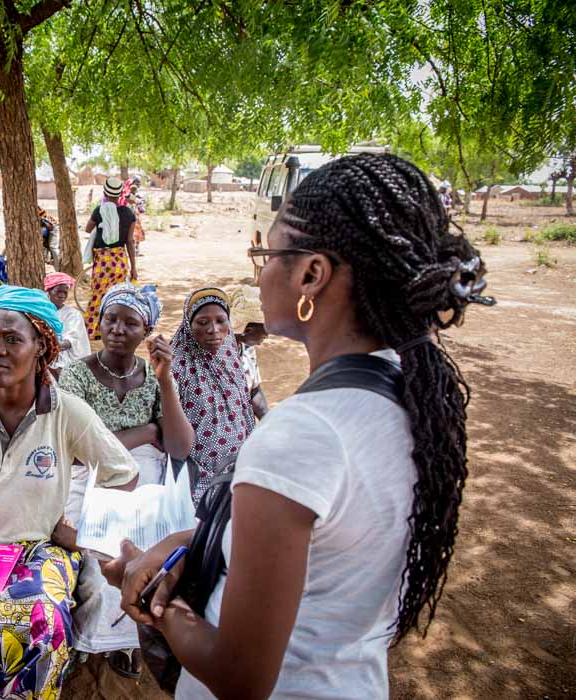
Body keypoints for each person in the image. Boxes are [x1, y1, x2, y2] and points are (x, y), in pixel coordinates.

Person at [105, 153, 491, 699]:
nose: (258, 271)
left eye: (265, 253)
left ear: (311, 274)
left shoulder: (299, 435)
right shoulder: (406, 388)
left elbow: (241, 674)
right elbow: (327, 542)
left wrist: (153, 601)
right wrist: (186, 540)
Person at [0, 285, 141, 699]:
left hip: (39, 550)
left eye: (13, 339)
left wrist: (85, 533)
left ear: (43, 346)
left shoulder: (67, 411)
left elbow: (122, 473)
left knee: (39, 624)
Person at [56, 283, 194, 678]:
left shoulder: (152, 379)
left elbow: (180, 446)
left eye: (130, 322)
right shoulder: (77, 374)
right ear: (97, 323)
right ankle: (99, 639)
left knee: (147, 548)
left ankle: (133, 638)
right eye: (110, 319)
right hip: (89, 472)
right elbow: (80, 447)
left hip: (143, 471)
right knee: (97, 551)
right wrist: (147, 431)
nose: (117, 328)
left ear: (146, 330)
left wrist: (166, 381)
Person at [169, 287, 256, 503]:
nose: (213, 330)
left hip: (241, 467)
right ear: (188, 324)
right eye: (202, 322)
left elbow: (246, 406)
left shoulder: (231, 356)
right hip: (199, 475)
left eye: (220, 321)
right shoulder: (175, 365)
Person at [83, 177, 138, 339]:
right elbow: (130, 241)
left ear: (105, 192)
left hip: (102, 260)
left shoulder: (99, 210)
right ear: (121, 193)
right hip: (120, 260)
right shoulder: (129, 213)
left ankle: (93, 330)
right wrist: (133, 268)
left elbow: (87, 229)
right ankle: (113, 330)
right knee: (116, 297)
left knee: (97, 294)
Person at [228, 284, 270, 419]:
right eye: (265, 331)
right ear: (248, 331)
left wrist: (268, 423)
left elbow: (254, 391)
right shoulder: (219, 355)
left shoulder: (247, 349)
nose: (268, 335)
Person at [44, 272, 90, 373]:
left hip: (67, 357)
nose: (62, 295)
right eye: (58, 291)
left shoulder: (73, 315)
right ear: (48, 291)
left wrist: (50, 347)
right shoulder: (42, 312)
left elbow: (70, 342)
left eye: (65, 292)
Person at [123, 176, 146, 256]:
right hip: (130, 217)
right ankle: (133, 249)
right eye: (136, 183)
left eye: (138, 184)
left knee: (135, 233)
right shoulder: (127, 195)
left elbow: (142, 208)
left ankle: (135, 249)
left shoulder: (132, 195)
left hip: (134, 217)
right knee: (132, 234)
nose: (137, 185)